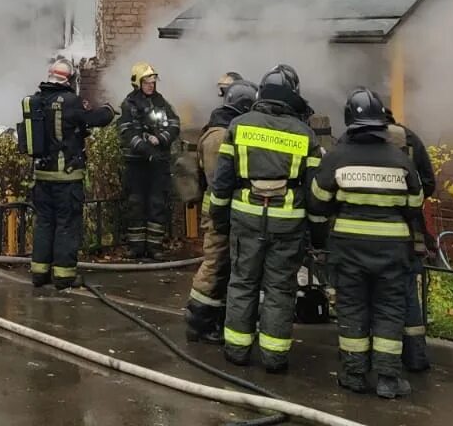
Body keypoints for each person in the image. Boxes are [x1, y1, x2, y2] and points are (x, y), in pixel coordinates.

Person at [309, 88, 425, 399]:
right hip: (392, 249)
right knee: (390, 309)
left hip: (348, 249)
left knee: (352, 308)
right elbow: (414, 205)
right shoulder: (401, 160)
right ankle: (388, 378)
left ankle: (354, 374)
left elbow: (318, 202)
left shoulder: (337, 158)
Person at [209, 67, 321, 372]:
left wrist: (220, 219)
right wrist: (316, 231)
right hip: (288, 224)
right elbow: (314, 190)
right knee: (280, 288)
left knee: (242, 282)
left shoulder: (239, 126)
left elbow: (221, 183)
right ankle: (274, 357)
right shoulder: (304, 134)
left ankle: (236, 351)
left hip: (245, 220)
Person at [20, 56, 113, 291]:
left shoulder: (37, 100)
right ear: (69, 79)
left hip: (41, 176)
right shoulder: (70, 101)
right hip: (66, 178)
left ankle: (39, 274)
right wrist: (110, 110)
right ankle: (64, 276)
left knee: (44, 223)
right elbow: (94, 119)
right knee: (66, 224)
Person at [185, 77, 257, 343]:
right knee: (214, 265)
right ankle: (199, 322)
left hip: (225, 212)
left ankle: (215, 319)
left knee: (224, 266)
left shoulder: (227, 128)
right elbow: (219, 181)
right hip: (217, 213)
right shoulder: (218, 136)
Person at [384, 104, 438, 373]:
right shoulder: (410, 139)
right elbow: (428, 182)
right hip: (406, 233)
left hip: (360, 237)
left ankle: (379, 361)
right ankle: (415, 358)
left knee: (372, 298)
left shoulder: (354, 141)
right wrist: (408, 203)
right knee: (406, 295)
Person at [117, 62, 180, 258]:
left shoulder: (162, 102)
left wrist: (160, 139)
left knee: (157, 203)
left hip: (158, 164)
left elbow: (174, 124)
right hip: (136, 164)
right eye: (147, 82)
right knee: (135, 203)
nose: (151, 85)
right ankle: (136, 247)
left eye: (153, 82)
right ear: (138, 82)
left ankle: (155, 247)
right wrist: (147, 149)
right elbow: (127, 132)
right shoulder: (129, 104)